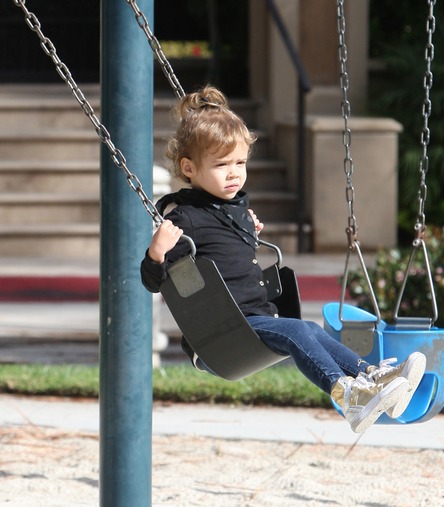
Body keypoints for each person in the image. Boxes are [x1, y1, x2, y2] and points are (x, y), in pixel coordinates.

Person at [140, 85, 426, 434]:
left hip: (255, 320)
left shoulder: (236, 210)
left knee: (306, 328)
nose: (234, 173)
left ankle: (372, 379)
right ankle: (346, 394)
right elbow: (153, 281)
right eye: (221, 165)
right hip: (222, 334)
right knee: (295, 329)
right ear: (189, 167)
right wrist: (158, 251)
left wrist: (246, 230)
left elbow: (227, 247)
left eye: (240, 162)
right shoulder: (183, 219)